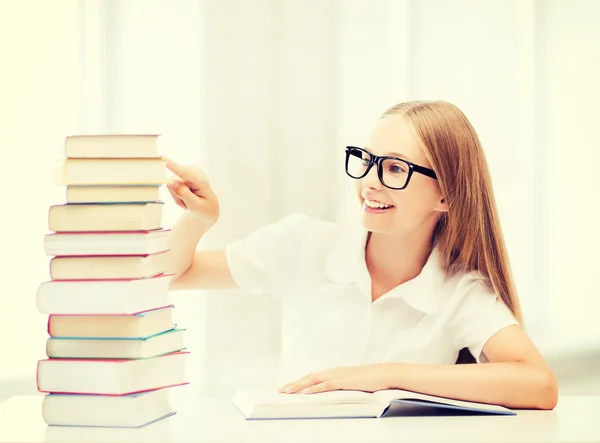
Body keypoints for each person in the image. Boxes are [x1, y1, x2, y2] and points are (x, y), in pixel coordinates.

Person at [163, 100, 558, 410]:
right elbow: (174, 274)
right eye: (366, 161)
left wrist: (385, 376)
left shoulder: (459, 292)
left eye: (394, 169)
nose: (369, 182)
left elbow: (539, 384)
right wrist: (199, 220)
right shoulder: (303, 244)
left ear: (446, 195)